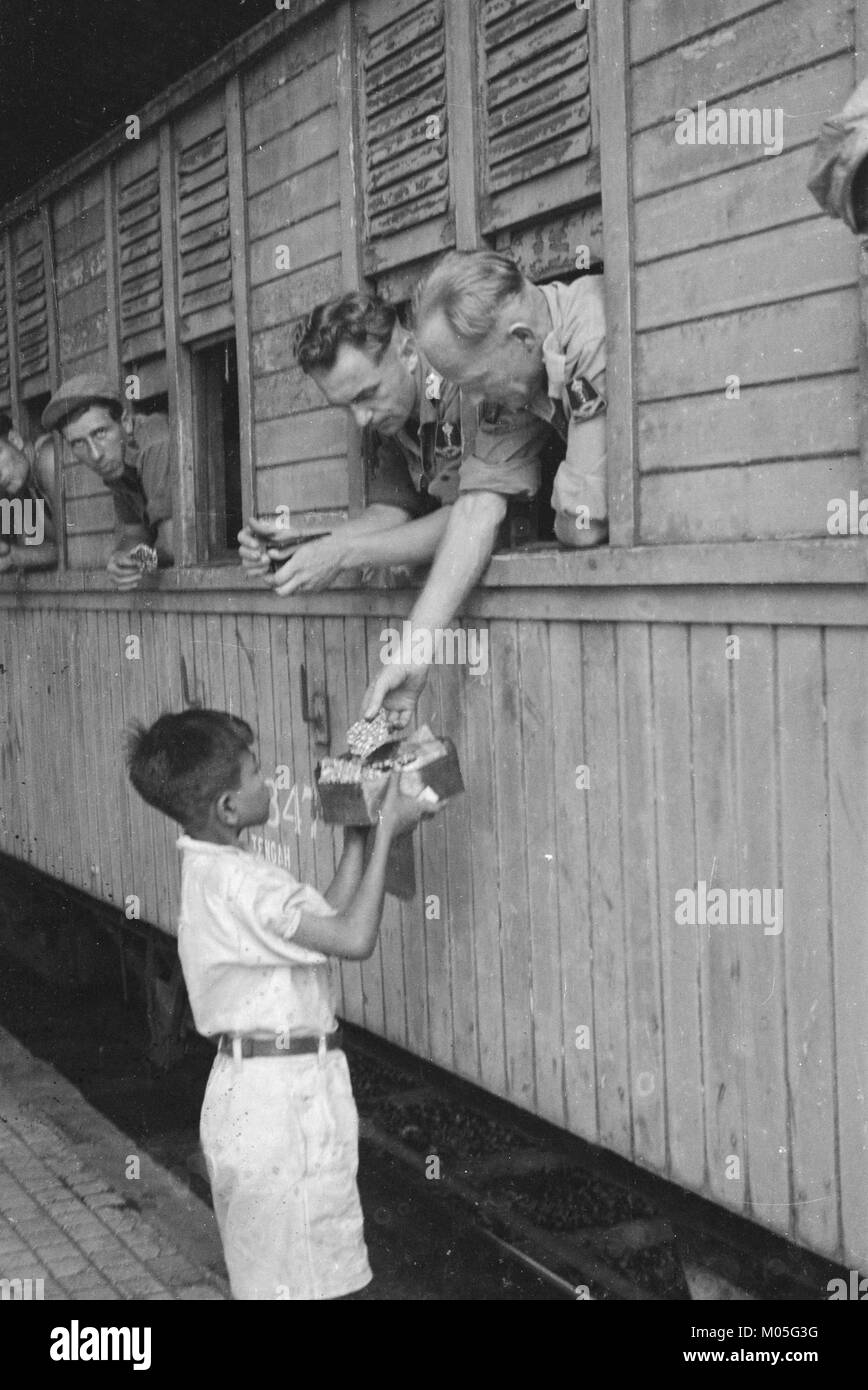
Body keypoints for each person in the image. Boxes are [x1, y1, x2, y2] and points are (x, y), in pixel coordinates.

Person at [126, 707, 434, 1300]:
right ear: (228, 808)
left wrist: (358, 834)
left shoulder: (224, 872)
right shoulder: (242, 884)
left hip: (269, 1097)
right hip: (279, 1112)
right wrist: (390, 828)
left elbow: (324, 920)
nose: (269, 782)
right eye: (256, 774)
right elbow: (352, 938)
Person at [363, 249, 608, 725]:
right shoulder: (521, 374)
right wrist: (413, 652)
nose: (471, 402)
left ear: (521, 338)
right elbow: (477, 507)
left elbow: (584, 524)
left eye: (473, 383)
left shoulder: (590, 333)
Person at [238, 291, 464, 593]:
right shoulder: (395, 413)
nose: (361, 419)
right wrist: (301, 545)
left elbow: (467, 519)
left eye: (366, 395)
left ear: (408, 353)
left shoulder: (455, 386)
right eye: (344, 406)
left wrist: (340, 554)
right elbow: (391, 510)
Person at [41, 374, 173, 590]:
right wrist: (120, 557)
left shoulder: (153, 444)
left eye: (100, 432)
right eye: (78, 443)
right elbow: (134, 534)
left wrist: (136, 561)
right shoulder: (118, 461)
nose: (95, 455)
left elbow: (174, 546)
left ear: (125, 422)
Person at [0, 412, 57, 572]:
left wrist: (14, 556)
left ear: (15, 440)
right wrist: (10, 554)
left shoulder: (48, 458)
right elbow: (41, 549)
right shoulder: (20, 484)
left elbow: (72, 550)